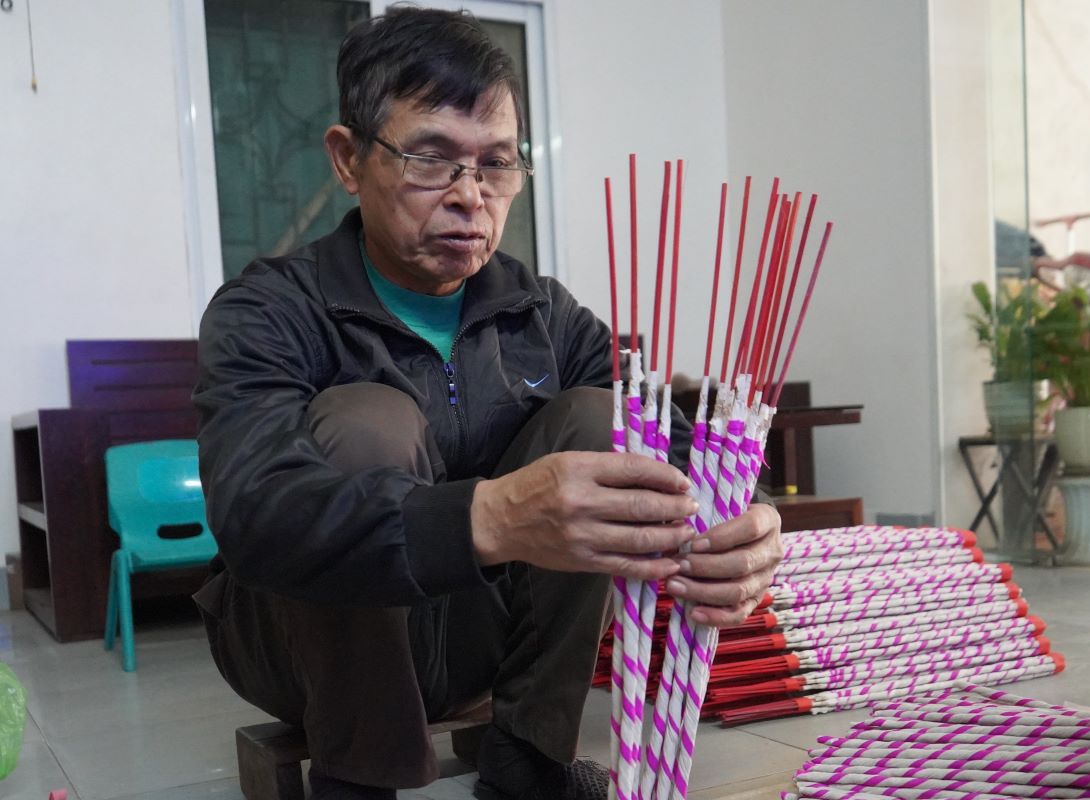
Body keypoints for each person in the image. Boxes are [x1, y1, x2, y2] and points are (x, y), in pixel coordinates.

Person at [191, 7, 782, 800]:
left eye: (497, 164)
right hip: (296, 648)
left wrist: (745, 524)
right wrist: (491, 516)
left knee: (606, 424)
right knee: (365, 424)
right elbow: (254, 512)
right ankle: (356, 776)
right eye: (432, 160)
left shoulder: (545, 314)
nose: (471, 197)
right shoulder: (269, 309)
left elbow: (677, 451)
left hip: (482, 639)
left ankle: (528, 754)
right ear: (349, 158)